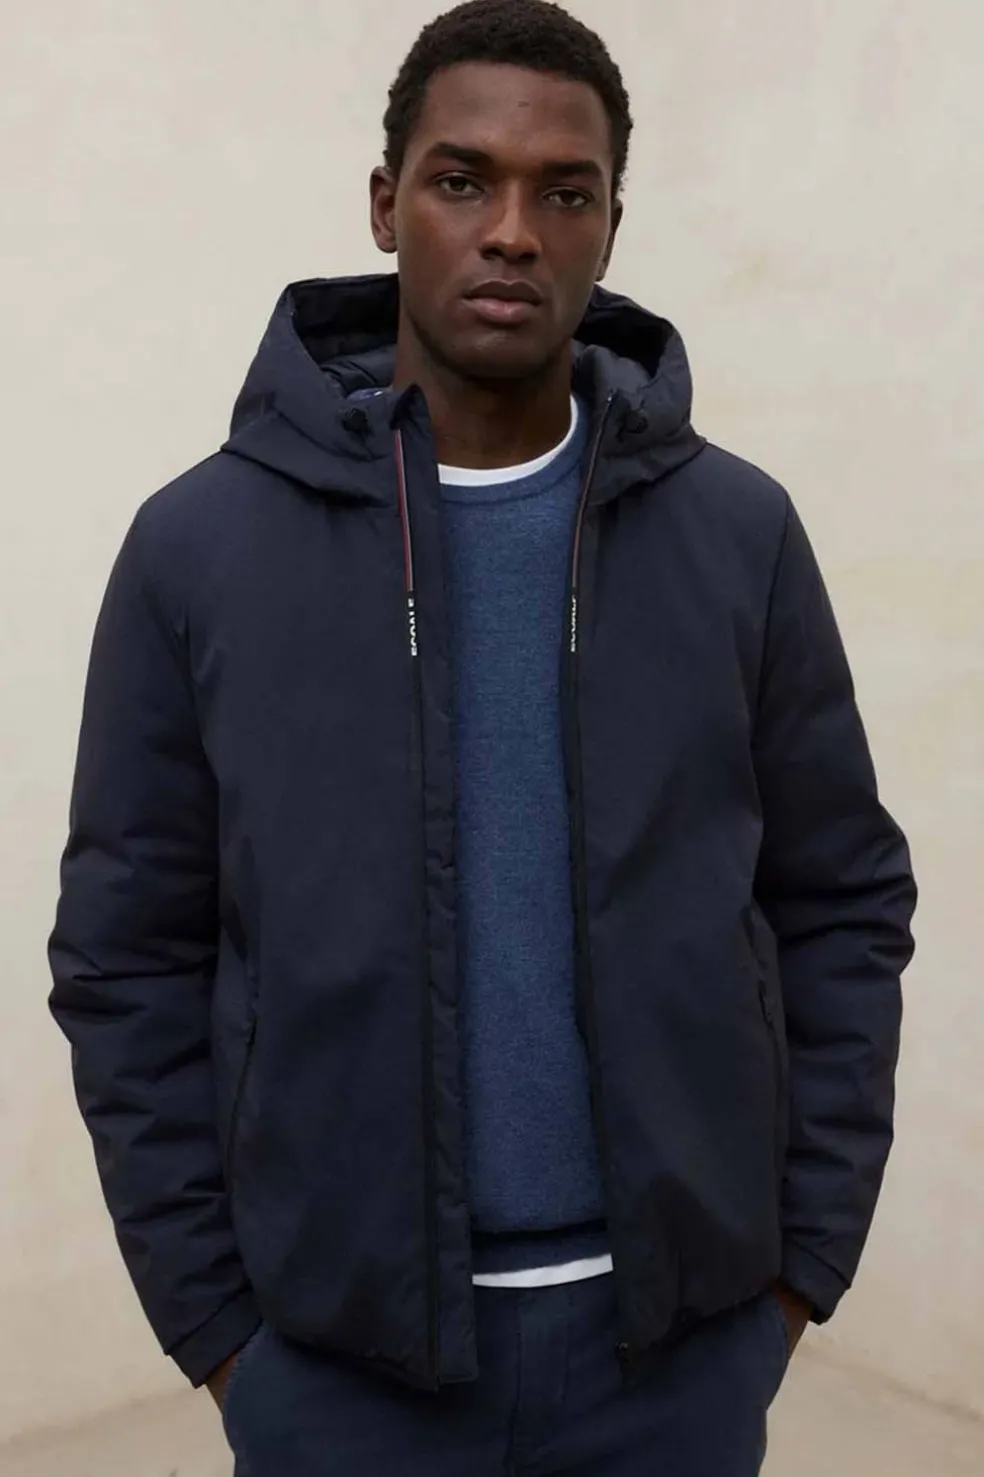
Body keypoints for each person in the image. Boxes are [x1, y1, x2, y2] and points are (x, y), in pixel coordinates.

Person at [48, 1, 917, 1472]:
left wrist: (795, 1276)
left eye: (564, 193)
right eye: (463, 180)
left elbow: (841, 899)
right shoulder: (199, 549)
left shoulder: (738, 533)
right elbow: (125, 955)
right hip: (339, 1380)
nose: (513, 231)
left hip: (679, 1360)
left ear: (611, 226)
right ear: (385, 204)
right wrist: (220, 1333)